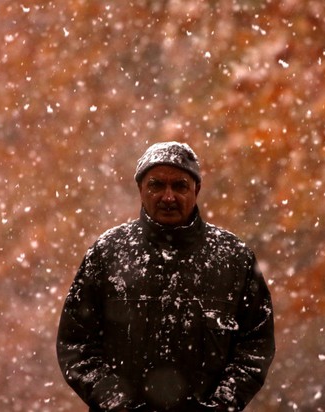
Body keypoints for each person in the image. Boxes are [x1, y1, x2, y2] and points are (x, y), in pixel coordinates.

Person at [57, 141, 275, 411]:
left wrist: (221, 405)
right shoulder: (107, 253)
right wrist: (115, 402)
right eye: (156, 185)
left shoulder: (234, 258)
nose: (168, 197)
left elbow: (255, 346)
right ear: (140, 190)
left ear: (196, 189)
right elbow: (76, 344)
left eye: (180, 186)